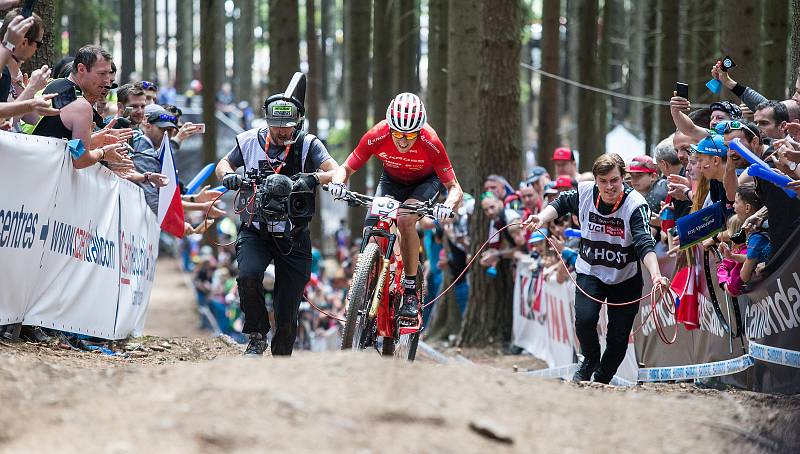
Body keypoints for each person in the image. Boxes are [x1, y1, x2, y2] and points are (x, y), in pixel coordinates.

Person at [522, 153, 669, 384]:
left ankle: (602, 379)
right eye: (603, 181)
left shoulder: (635, 204)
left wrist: (657, 275)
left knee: (618, 338)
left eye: (614, 180)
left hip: (625, 277)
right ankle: (589, 359)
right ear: (597, 180)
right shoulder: (585, 192)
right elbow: (560, 203)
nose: (609, 187)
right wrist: (541, 218)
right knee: (585, 319)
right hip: (591, 270)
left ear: (624, 179)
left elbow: (644, 243)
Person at [215, 87, 339, 356]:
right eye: (276, 126)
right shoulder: (248, 140)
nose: (282, 132)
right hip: (255, 230)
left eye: (288, 127)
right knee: (247, 275)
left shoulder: (309, 144)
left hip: (294, 235)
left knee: (287, 309)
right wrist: (229, 177)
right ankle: (257, 335)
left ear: (298, 123)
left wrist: (313, 178)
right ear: (267, 122)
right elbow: (222, 164)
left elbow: (338, 172)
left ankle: (281, 359)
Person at [329, 92, 463, 320]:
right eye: (398, 133)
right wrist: (337, 183)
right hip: (392, 181)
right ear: (390, 127)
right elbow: (346, 168)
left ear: (419, 131)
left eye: (409, 135)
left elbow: (454, 187)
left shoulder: (431, 141)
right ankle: (364, 284)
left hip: (424, 184)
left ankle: (410, 291)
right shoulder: (378, 134)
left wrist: (447, 205)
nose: (402, 140)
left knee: (404, 218)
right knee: (372, 225)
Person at [32, 45, 132, 171]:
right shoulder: (82, 106)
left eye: (108, 74)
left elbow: (65, 139)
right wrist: (103, 153)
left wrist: (93, 140)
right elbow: (79, 159)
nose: (107, 81)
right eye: (102, 74)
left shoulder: (56, 84)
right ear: (81, 69)